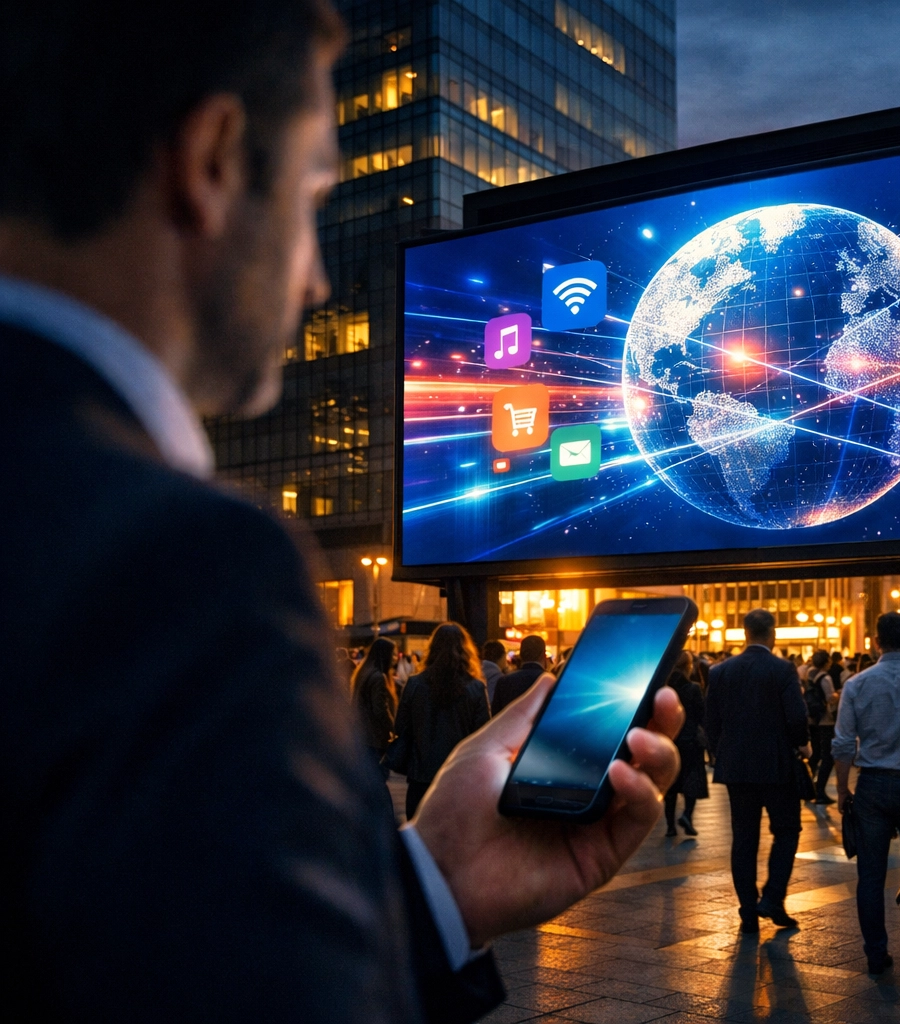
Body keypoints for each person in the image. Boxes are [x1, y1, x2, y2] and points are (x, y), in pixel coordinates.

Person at [0, 3, 689, 1018]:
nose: (317, 273)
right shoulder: (173, 566)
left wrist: (435, 885)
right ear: (213, 159)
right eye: (316, 193)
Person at [831, 612, 900, 976]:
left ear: (876, 641)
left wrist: (842, 787)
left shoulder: (857, 683)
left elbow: (843, 741)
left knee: (870, 875)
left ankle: (876, 954)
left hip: (873, 783)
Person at [705, 609, 809, 930]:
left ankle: (748, 910)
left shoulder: (720, 671)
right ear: (772, 633)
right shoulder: (782, 669)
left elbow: (710, 721)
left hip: (737, 766)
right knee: (787, 830)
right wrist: (803, 743)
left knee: (744, 837)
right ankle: (773, 897)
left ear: (745, 632)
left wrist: (718, 753)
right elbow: (796, 717)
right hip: (777, 766)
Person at [391, 624, 492, 818]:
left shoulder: (414, 684)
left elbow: (400, 726)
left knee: (419, 837)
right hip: (458, 778)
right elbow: (483, 735)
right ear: (465, 650)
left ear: (433, 648)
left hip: (421, 776)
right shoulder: (476, 688)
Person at [663, 650, 709, 837]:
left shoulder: (664, 688)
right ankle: (687, 814)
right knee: (691, 780)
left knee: (671, 785)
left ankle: (670, 827)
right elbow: (702, 715)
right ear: (688, 667)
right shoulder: (693, 688)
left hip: (669, 739)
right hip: (690, 739)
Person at [351, 637, 399, 780]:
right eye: (393, 654)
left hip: (363, 736)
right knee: (379, 779)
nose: (394, 658)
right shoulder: (378, 677)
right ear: (384, 655)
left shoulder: (364, 673)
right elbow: (381, 710)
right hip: (375, 738)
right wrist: (394, 730)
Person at [804, 649, 838, 804]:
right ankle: (820, 790)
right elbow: (830, 698)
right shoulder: (825, 678)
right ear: (826, 662)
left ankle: (809, 784)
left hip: (812, 719)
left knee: (815, 753)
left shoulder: (808, 673)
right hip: (825, 720)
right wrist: (839, 694)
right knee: (827, 757)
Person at [492, 634, 547, 714]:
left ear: (521, 655)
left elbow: (496, 716)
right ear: (543, 655)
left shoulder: (504, 682)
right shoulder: (551, 681)